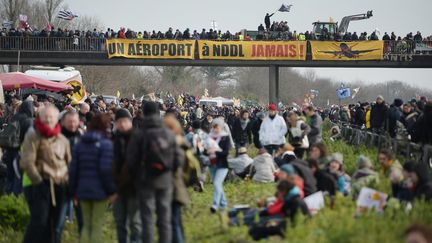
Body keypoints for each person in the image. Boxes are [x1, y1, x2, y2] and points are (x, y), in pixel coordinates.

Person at [127, 101, 182, 243]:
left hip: (145, 180)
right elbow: (179, 158)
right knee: (165, 219)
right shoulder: (169, 133)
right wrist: (169, 170)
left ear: (144, 113)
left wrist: (137, 176)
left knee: (147, 219)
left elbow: (131, 160)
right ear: (159, 112)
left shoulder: (139, 134)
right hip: (165, 179)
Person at [20, 105, 71, 243]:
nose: (49, 120)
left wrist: (68, 182)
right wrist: (39, 182)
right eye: (46, 117)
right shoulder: (33, 135)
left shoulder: (62, 139)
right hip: (39, 185)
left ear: (57, 119)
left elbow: (68, 163)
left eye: (52, 117)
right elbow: (27, 162)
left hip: (59, 186)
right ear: (40, 118)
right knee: (39, 222)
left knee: (54, 225)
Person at [69, 113, 117, 243]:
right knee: (96, 225)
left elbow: (73, 170)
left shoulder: (80, 144)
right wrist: (111, 191)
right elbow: (105, 170)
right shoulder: (106, 144)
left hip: (82, 190)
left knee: (86, 225)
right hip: (100, 191)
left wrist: (73, 192)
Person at [112, 109, 142, 243]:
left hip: (135, 188)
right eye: (119, 122)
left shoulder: (139, 138)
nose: (122, 124)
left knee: (135, 223)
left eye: (125, 121)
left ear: (130, 121)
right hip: (117, 189)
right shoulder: (114, 140)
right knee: (120, 222)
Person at [2, 100, 34, 195]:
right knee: (18, 177)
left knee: (9, 175)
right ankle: (15, 198)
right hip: (19, 152)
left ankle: (6, 196)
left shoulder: (14, 117)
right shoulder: (28, 121)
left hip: (8, 150)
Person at [60, 111, 84, 235]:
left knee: (83, 221)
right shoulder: (57, 137)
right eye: (70, 122)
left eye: (75, 121)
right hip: (61, 181)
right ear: (63, 122)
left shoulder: (82, 137)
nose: (72, 124)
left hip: (79, 183)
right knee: (57, 222)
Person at [207, 117, 231, 215]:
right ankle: (224, 204)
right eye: (214, 127)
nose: (216, 129)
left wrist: (215, 152)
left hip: (222, 164)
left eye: (217, 127)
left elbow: (226, 152)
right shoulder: (209, 136)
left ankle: (215, 205)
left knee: (216, 183)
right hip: (212, 164)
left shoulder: (225, 137)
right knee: (218, 185)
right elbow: (205, 149)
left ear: (221, 127)